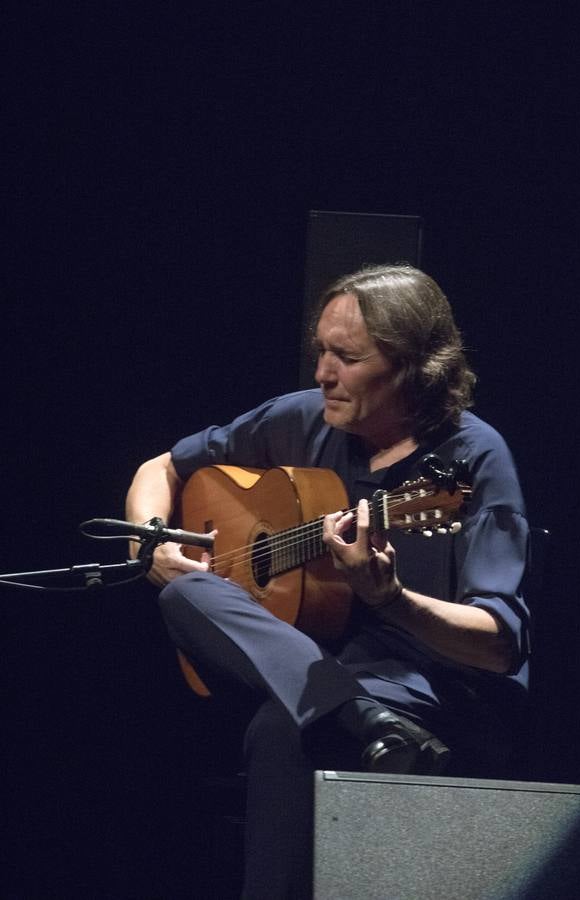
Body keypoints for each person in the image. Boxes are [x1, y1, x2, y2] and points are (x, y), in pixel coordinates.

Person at [125, 264, 530, 898]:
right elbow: (163, 467)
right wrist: (150, 538)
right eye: (321, 351)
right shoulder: (302, 419)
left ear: (413, 366)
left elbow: (499, 644)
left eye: (346, 357)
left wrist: (390, 599)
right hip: (316, 665)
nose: (321, 373)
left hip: (427, 685)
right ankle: (359, 715)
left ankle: (361, 714)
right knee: (182, 590)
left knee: (283, 727)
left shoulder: (472, 461)